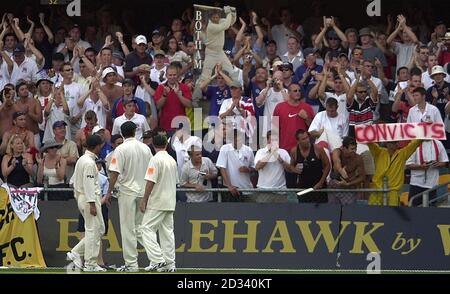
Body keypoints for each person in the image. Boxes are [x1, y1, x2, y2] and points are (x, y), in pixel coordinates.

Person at [106, 121, 153, 272]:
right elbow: (152, 171)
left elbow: (114, 173)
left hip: (127, 191)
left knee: (128, 229)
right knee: (141, 229)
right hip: (143, 191)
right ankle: (158, 257)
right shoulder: (146, 148)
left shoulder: (120, 149)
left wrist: (108, 192)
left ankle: (131, 264)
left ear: (122, 133)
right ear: (135, 131)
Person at [66, 134, 105, 272]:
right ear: (97, 146)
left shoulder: (83, 160)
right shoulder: (88, 162)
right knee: (94, 230)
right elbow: (88, 185)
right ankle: (90, 263)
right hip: (90, 199)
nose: (102, 147)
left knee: (98, 229)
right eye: (101, 145)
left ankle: (76, 252)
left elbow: (73, 181)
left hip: (85, 198)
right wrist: (92, 203)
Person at [140, 134, 178, 272]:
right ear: (166, 145)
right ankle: (170, 265)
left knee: (145, 228)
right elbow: (176, 182)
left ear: (153, 146)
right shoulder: (172, 160)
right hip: (170, 201)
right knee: (167, 233)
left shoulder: (155, 160)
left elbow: (151, 181)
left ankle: (157, 259)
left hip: (157, 201)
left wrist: (144, 199)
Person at [368, 139, 422, 206]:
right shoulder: (379, 152)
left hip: (393, 191)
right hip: (377, 190)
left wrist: (422, 136)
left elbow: (414, 144)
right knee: (373, 213)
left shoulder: (402, 154)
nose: (397, 144)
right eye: (394, 142)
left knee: (392, 215)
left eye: (397, 142)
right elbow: (370, 143)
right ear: (387, 143)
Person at [290, 129, 330, 203]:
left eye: (307, 137)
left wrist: (321, 182)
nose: (307, 140)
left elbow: (327, 165)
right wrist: (294, 169)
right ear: (298, 141)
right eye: (303, 139)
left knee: (322, 212)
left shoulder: (318, 149)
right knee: (304, 212)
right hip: (303, 188)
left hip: (318, 187)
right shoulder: (294, 151)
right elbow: (291, 166)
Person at [216, 127, 255, 202]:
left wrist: (248, 169)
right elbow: (222, 168)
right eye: (236, 139)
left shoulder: (248, 150)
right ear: (231, 139)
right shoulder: (225, 148)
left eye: (240, 138)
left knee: (249, 213)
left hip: (247, 189)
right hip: (232, 190)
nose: (238, 141)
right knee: (231, 213)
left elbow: (254, 167)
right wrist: (229, 186)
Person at [272, 83, 315, 151]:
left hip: (303, 149)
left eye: (299, 91)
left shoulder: (307, 107)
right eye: (295, 91)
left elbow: (313, 129)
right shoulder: (279, 107)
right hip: (284, 148)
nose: (298, 93)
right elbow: (274, 129)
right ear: (289, 92)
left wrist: (306, 118)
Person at [406, 140, 448, 206]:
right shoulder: (414, 144)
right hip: (416, 184)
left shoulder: (438, 143)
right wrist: (421, 166)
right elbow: (407, 165)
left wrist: (438, 164)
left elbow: (445, 162)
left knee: (431, 211)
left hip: (432, 184)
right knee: (414, 210)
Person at [254, 131, 292, 203]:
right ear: (267, 140)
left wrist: (280, 160)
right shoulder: (260, 152)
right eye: (272, 140)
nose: (275, 142)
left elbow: (290, 169)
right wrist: (271, 153)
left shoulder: (283, 152)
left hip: (280, 192)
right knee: (263, 214)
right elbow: (257, 167)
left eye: (276, 140)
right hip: (263, 191)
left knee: (281, 214)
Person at [329, 136, 366, 205]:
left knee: (348, 212)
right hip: (335, 186)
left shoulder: (358, 158)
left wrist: (348, 183)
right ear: (344, 148)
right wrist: (341, 171)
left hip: (348, 188)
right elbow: (336, 161)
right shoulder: (337, 151)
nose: (354, 151)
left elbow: (362, 177)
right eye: (352, 149)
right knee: (333, 211)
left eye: (355, 149)